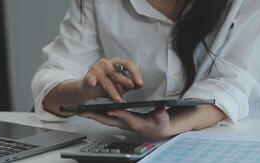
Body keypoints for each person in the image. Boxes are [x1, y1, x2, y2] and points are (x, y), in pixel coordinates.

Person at [31, 0, 260, 140]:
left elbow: (233, 83)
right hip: (131, 144)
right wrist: (86, 88)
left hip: (229, 143)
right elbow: (50, 89)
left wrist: (171, 124)